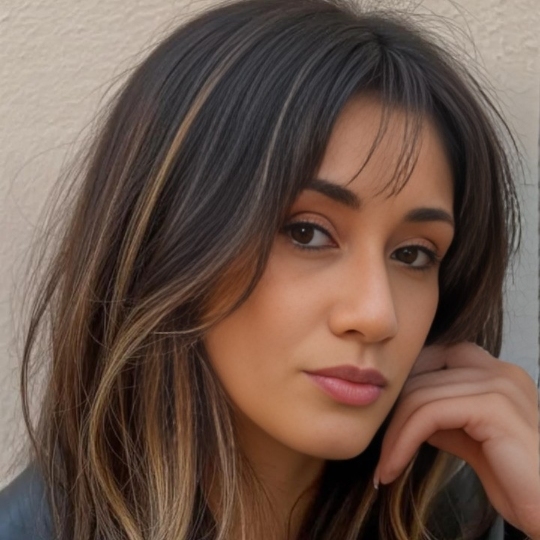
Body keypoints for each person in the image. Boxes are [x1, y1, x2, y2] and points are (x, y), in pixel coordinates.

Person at [0, 0, 538, 538]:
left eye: (413, 254)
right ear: (165, 241)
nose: (377, 315)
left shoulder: (468, 519)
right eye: (306, 233)